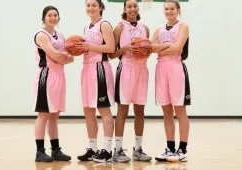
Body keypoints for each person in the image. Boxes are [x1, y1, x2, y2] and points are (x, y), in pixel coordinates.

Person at [109, 0, 152, 163]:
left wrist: (145, 52)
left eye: (135, 6)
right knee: (123, 110)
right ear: (124, 9)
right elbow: (111, 54)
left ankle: (138, 149)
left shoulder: (144, 28)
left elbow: (146, 50)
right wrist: (125, 48)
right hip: (125, 69)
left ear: (138, 8)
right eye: (129, 6)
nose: (133, 9)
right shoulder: (120, 27)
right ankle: (118, 150)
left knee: (140, 110)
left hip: (142, 70)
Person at [76, 0, 115, 163]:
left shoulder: (104, 25)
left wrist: (89, 46)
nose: (90, 8)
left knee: (104, 110)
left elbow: (111, 48)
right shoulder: (87, 27)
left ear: (100, 7)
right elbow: (89, 46)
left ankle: (106, 149)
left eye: (94, 5)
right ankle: (92, 148)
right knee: (88, 110)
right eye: (88, 5)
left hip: (99, 69)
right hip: (87, 69)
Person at [33, 6, 73, 162]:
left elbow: (70, 56)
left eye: (55, 15)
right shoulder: (41, 35)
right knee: (43, 114)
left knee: (55, 115)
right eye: (49, 15)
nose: (53, 18)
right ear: (44, 18)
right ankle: (39, 152)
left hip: (59, 75)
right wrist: (65, 57)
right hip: (46, 75)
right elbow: (55, 55)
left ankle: (55, 150)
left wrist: (65, 57)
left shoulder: (60, 35)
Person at [151, 0, 190, 162]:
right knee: (166, 111)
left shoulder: (183, 26)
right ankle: (170, 148)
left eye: (172, 8)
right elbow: (151, 47)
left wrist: (160, 47)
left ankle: (182, 149)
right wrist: (166, 46)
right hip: (161, 69)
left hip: (176, 69)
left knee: (180, 111)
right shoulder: (158, 29)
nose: (169, 11)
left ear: (178, 10)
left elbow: (178, 48)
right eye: (166, 9)